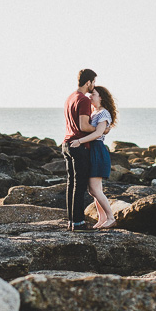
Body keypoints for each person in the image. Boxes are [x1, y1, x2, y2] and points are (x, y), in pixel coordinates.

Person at [69, 85, 118, 229]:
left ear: (101, 97)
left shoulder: (103, 113)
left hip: (98, 151)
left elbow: (98, 133)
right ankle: (102, 218)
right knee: (94, 190)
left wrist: (79, 141)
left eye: (93, 94)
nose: (90, 96)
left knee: (95, 189)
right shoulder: (95, 112)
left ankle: (111, 218)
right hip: (92, 151)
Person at [63, 68, 98, 231]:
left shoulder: (70, 97)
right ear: (88, 82)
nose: (94, 85)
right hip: (79, 146)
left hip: (67, 144)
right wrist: (100, 129)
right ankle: (78, 223)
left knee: (71, 184)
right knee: (80, 186)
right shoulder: (83, 100)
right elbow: (84, 126)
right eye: (93, 82)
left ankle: (72, 221)